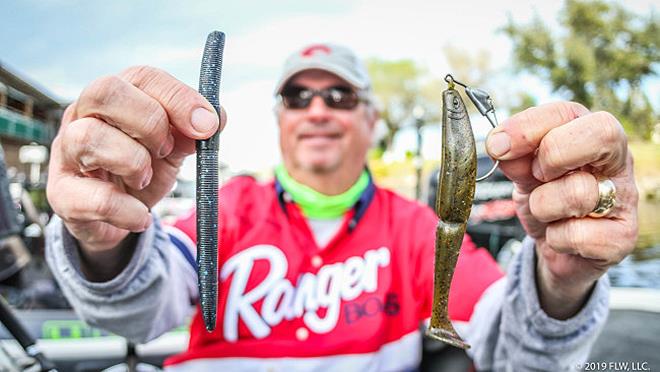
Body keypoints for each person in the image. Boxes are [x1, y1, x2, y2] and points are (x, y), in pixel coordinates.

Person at [44, 43, 638, 371]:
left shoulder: (416, 231)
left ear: (371, 119)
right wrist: (103, 237)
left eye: (340, 94)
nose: (318, 109)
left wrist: (561, 283)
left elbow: (516, 355)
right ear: (279, 119)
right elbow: (134, 313)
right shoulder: (225, 213)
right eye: (298, 95)